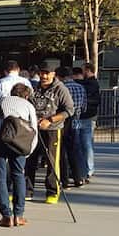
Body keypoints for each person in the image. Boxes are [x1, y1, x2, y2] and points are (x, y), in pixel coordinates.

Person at [0, 82, 39, 227]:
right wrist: (28, 151)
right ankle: (18, 215)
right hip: (18, 141)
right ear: (26, 95)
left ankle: (6, 216)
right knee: (18, 175)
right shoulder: (28, 106)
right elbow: (34, 130)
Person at [24, 62, 75, 203]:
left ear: (53, 74)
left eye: (47, 73)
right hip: (34, 129)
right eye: (42, 73)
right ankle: (27, 190)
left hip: (53, 129)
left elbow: (69, 110)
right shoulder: (34, 88)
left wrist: (50, 120)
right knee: (30, 159)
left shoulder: (60, 89)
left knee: (52, 161)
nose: (44, 76)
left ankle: (52, 191)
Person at [60, 66, 89, 188]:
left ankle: (64, 179)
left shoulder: (62, 88)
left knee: (62, 152)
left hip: (63, 120)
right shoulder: (80, 87)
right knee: (76, 150)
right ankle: (80, 177)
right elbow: (84, 106)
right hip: (76, 119)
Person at [78, 62, 100, 179]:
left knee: (86, 143)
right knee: (87, 143)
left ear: (87, 70)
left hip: (86, 115)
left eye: (83, 70)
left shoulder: (90, 84)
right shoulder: (93, 83)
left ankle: (88, 168)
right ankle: (88, 168)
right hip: (90, 115)